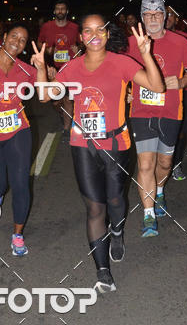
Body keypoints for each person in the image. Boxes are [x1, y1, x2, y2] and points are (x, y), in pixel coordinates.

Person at [53, 15, 164, 293]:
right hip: (83, 146)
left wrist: (146, 54)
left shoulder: (121, 62)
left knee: (115, 200)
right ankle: (102, 271)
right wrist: (44, 72)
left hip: (116, 144)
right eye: (87, 30)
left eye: (99, 29)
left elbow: (157, 86)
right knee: (94, 208)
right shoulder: (72, 67)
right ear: (80, 37)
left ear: (106, 33)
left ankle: (117, 232)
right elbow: (51, 94)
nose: (94, 34)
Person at [127, 0, 187, 237]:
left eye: (157, 14)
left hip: (170, 111)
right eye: (147, 15)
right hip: (141, 112)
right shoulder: (130, 43)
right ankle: (148, 215)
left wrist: (180, 82)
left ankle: (159, 190)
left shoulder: (181, 42)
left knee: (164, 163)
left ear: (165, 16)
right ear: (142, 18)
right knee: (145, 164)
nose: (153, 19)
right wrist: (126, 92)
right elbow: (118, 73)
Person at [0, 23, 52, 256]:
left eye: (23, 40)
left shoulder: (25, 70)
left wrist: (42, 68)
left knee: (21, 182)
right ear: (4, 37)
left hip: (18, 130)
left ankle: (18, 235)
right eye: (14, 36)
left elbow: (43, 96)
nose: (17, 42)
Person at [166, 7, 187, 180]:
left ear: (177, 19)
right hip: (154, 95)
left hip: (182, 93)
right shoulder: (146, 39)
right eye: (161, 12)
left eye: (171, 13)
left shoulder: (185, 39)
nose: (166, 16)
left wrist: (182, 81)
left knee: (180, 131)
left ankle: (176, 164)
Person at [38, 1, 80, 139]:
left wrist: (78, 49)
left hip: (70, 69)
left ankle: (67, 130)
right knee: (56, 102)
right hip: (53, 69)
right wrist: (46, 48)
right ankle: (64, 115)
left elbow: (83, 44)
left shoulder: (74, 27)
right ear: (54, 12)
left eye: (63, 9)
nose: (60, 11)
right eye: (58, 9)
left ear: (67, 11)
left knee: (68, 99)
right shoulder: (47, 26)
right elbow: (39, 42)